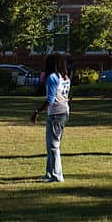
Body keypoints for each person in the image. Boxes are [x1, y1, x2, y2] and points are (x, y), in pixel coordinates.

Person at [41, 54, 71, 182]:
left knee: (53, 145)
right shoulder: (65, 77)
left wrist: (37, 111)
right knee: (51, 144)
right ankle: (49, 172)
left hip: (56, 113)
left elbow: (50, 99)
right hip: (64, 111)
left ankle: (57, 175)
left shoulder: (53, 77)